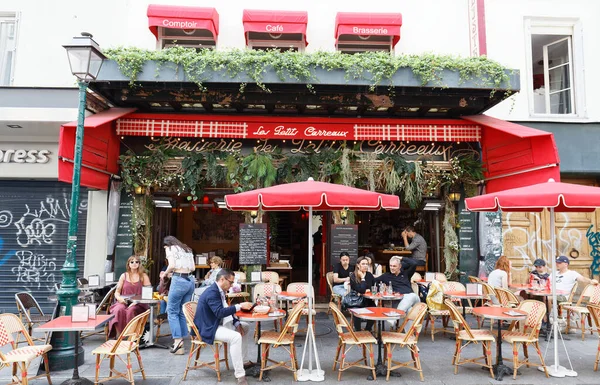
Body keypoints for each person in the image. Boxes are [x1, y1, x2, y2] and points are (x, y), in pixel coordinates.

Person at [195, 269, 254, 385]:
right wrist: (239, 306)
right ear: (222, 279)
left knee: (244, 327)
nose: (232, 285)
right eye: (231, 282)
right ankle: (240, 375)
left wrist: (236, 323)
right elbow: (220, 313)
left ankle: (244, 361)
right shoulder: (212, 292)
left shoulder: (219, 290)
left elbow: (226, 308)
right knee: (236, 337)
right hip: (209, 327)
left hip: (216, 323)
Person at [163, 235, 196, 355]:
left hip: (179, 281)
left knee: (171, 311)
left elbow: (171, 265)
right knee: (182, 311)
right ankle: (182, 339)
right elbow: (192, 267)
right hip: (190, 281)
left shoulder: (170, 249)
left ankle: (177, 341)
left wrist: (165, 273)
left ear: (167, 244)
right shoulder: (187, 249)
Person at [108, 255, 151, 338]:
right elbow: (117, 292)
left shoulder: (143, 276)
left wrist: (136, 302)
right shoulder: (123, 276)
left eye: (136, 262)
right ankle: (120, 335)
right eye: (132, 262)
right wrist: (119, 298)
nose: (134, 263)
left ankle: (131, 335)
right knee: (118, 309)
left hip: (139, 303)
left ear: (139, 264)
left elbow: (148, 292)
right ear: (128, 264)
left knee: (131, 310)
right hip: (124, 301)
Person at [348, 257, 375, 332]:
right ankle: (358, 330)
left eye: (367, 264)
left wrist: (366, 290)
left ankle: (368, 329)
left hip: (368, 300)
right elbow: (361, 289)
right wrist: (363, 278)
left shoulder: (369, 275)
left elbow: (375, 287)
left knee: (375, 309)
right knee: (356, 311)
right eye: (363, 264)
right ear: (358, 265)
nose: (365, 266)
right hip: (356, 300)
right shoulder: (353, 276)